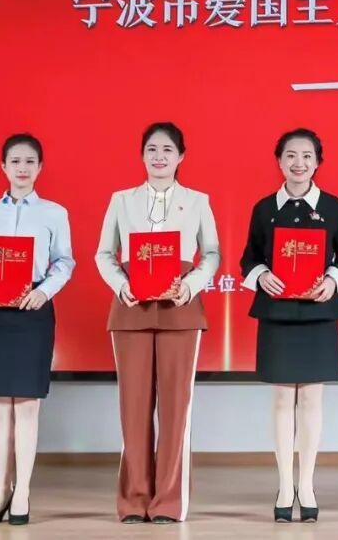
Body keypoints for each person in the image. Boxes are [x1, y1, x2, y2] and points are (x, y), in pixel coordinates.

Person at [94, 122, 220, 524]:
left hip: (180, 309)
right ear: (142, 155)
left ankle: (168, 502)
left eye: (167, 149)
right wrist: (121, 285)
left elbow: (212, 254)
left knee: (175, 409)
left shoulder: (197, 201)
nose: (159, 156)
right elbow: (104, 254)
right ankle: (133, 500)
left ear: (181, 156)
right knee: (133, 408)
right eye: (152, 149)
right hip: (131, 309)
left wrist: (190, 285)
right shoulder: (121, 200)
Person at [240, 128, 338, 522]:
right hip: (277, 312)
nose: (299, 163)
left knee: (311, 400)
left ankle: (306, 484)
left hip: (318, 313)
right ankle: (284, 484)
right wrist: (261, 275)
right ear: (279, 161)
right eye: (291, 155)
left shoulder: (334, 207)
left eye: (307, 156)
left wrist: (332, 281)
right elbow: (249, 257)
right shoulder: (264, 208)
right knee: (281, 400)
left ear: (318, 162)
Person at [0, 133, 75, 526]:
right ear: (3, 167)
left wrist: (44, 292)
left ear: (40, 167)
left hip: (32, 311)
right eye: (15, 161)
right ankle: (1, 490)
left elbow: (65, 262)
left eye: (29, 161)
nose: (22, 168)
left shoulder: (54, 213)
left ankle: (23, 491)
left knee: (27, 405)